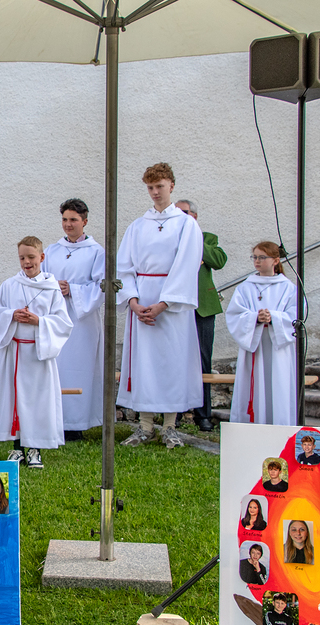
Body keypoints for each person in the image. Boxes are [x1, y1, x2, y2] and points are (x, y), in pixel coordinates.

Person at [117, 164, 203, 449]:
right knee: (144, 362)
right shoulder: (137, 226)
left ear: (171, 186)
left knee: (172, 361)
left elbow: (187, 266)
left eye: (160, 186)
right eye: (150, 187)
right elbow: (124, 266)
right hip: (142, 300)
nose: (155, 192)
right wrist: (133, 301)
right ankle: (145, 426)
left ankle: (169, 427)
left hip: (171, 305)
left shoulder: (186, 225)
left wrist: (164, 303)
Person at [0, 236, 73, 468]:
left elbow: (63, 322)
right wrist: (11, 315)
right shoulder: (10, 285)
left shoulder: (52, 288)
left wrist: (39, 321)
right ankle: (17, 448)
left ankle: (35, 449)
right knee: (14, 399)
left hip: (38, 353)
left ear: (42, 257)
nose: (27, 262)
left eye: (31, 257)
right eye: (22, 258)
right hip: (15, 351)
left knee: (37, 401)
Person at [43, 198, 105, 441]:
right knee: (56, 367)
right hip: (56, 314)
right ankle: (55, 419)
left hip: (82, 318)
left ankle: (76, 423)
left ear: (85, 221)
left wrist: (74, 290)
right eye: (65, 219)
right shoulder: (53, 250)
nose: (68, 224)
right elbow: (41, 278)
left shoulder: (96, 252)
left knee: (79, 368)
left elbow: (101, 286)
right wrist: (53, 286)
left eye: (73, 220)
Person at [227, 241, 298, 426]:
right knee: (255, 385)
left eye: (262, 257)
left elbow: (296, 315)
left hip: (278, 348)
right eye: (255, 257)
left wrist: (273, 317)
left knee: (279, 384)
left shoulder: (289, 288)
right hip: (255, 345)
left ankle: (280, 427)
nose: (257, 261)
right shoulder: (245, 287)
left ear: (275, 260)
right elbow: (234, 314)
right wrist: (255, 318)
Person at [175, 200, 227, 432]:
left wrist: (194, 236)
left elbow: (219, 260)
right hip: (177, 307)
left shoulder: (207, 238)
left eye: (184, 212)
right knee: (176, 360)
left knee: (203, 361)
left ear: (194, 216)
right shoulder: (169, 238)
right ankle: (174, 412)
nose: (179, 215)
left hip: (202, 308)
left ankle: (203, 414)